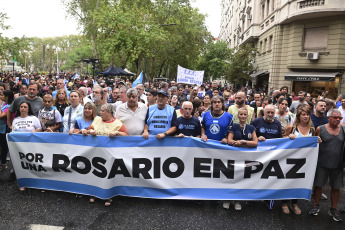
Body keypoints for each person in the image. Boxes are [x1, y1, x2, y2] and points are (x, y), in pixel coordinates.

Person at [85, 103, 128, 206]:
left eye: (102, 111)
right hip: (96, 153)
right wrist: (91, 131)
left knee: (108, 175)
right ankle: (94, 193)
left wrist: (117, 133)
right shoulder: (97, 120)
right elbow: (88, 130)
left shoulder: (117, 123)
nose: (100, 112)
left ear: (109, 112)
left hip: (110, 155)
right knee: (95, 172)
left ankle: (108, 196)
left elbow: (126, 135)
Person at [310, 109, 345, 222]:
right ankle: (316, 205)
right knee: (319, 185)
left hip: (338, 165)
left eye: (339, 118)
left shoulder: (343, 129)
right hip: (322, 163)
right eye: (335, 117)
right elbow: (314, 143)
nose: (337, 120)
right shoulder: (321, 129)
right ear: (328, 117)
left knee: (336, 187)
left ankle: (333, 209)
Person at [283, 105, 316, 215]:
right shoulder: (291, 127)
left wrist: (318, 140)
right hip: (291, 159)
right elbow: (281, 140)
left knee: (299, 182)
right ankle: (284, 202)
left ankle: (294, 203)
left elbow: (314, 142)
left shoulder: (312, 129)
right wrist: (288, 137)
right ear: (299, 116)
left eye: (307, 114)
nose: (306, 116)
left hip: (305, 161)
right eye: (303, 114)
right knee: (287, 181)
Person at [223, 107, 258, 211]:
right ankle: (227, 199)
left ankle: (237, 200)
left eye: (245, 115)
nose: (243, 116)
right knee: (230, 177)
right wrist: (247, 144)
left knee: (241, 178)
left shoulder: (251, 128)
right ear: (238, 116)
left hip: (246, 158)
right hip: (233, 157)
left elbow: (255, 143)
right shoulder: (233, 126)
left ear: (247, 116)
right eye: (241, 114)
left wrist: (242, 142)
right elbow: (230, 141)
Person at [0, 90, 14, 171]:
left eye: (2, 95)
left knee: (4, 146)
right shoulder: (3, 104)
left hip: (5, 129)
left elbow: (1, 116)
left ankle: (4, 163)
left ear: (7, 97)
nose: (0, 97)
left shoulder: (9, 106)